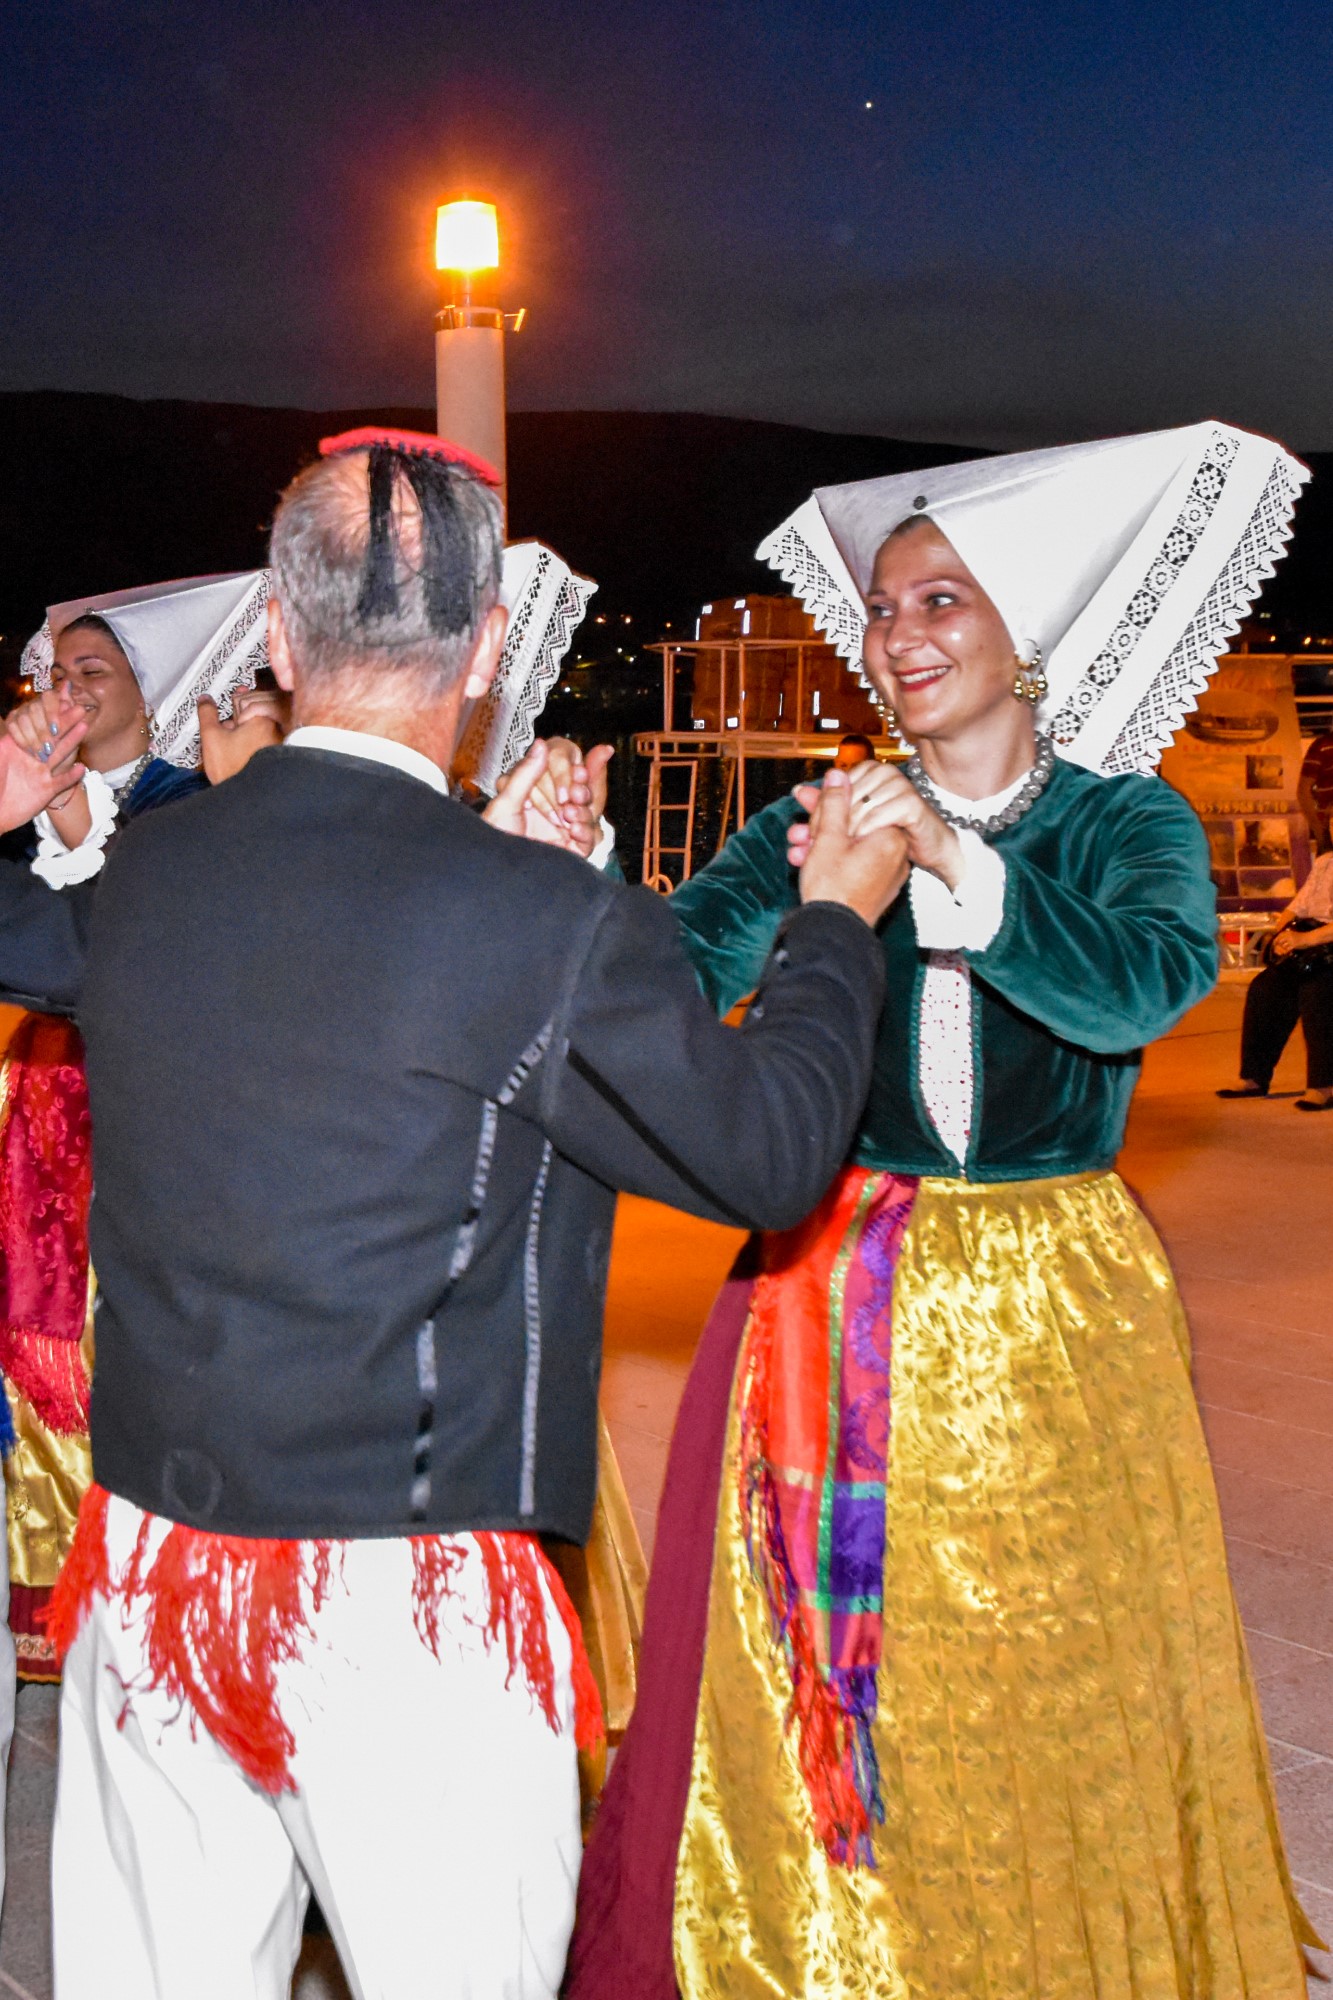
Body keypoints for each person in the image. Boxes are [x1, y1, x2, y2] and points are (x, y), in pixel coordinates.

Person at [0, 426, 908, 2000]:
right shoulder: (542, 920)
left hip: (148, 1572)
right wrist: (833, 924)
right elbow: (766, 1154)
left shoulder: (147, 876)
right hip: (411, 1610)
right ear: (488, 646)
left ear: (279, 639)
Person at [568, 421, 1321, 1999]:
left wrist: (962, 873)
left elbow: (1139, 990)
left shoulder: (1124, 825)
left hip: (1055, 1302)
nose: (898, 637)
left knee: (1056, 1659)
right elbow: (672, 971)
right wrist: (575, 888)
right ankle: (836, 1953)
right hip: (827, 1284)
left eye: (941, 604)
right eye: (886, 609)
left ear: (1021, 636)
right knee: (831, 1666)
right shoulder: (812, 829)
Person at [0, 580, 266, 1679]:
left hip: (141, 1117)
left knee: (118, 1345)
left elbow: (134, 951)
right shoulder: (28, 793)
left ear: (153, 690)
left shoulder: (194, 799)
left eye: (94, 667)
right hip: (44, 1108)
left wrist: (71, 825)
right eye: (59, 669)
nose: (70, 685)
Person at [1218, 833, 1333, 1109]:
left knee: (1318, 992)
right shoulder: (1326, 863)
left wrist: (1305, 939)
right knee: (1265, 988)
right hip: (1314, 943)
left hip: (1324, 944)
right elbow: (1298, 905)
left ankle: (1324, 1085)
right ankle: (1254, 1078)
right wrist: (1281, 934)